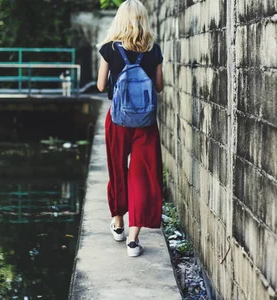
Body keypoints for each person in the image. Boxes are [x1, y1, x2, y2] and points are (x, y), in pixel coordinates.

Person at [96, 0, 164, 257]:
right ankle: (133, 241)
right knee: (141, 176)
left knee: (117, 170)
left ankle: (117, 223)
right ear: (143, 20)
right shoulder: (154, 50)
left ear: (120, 20)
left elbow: (102, 86)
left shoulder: (109, 49)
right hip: (145, 125)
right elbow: (158, 86)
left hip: (117, 121)